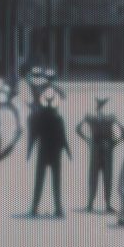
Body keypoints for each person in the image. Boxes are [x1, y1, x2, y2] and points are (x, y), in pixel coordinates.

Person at [27, 85, 71, 218]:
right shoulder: (58, 118)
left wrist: (29, 151)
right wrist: (68, 151)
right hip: (55, 153)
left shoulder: (38, 118)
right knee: (56, 180)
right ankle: (58, 208)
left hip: (43, 151)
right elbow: (63, 137)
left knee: (39, 180)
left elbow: (33, 136)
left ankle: (34, 207)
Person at [76, 97, 121, 213]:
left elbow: (78, 128)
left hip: (97, 150)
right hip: (105, 150)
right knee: (105, 177)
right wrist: (113, 143)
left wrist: (88, 140)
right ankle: (102, 204)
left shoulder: (93, 118)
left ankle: (93, 204)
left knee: (96, 177)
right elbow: (122, 130)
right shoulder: (108, 118)